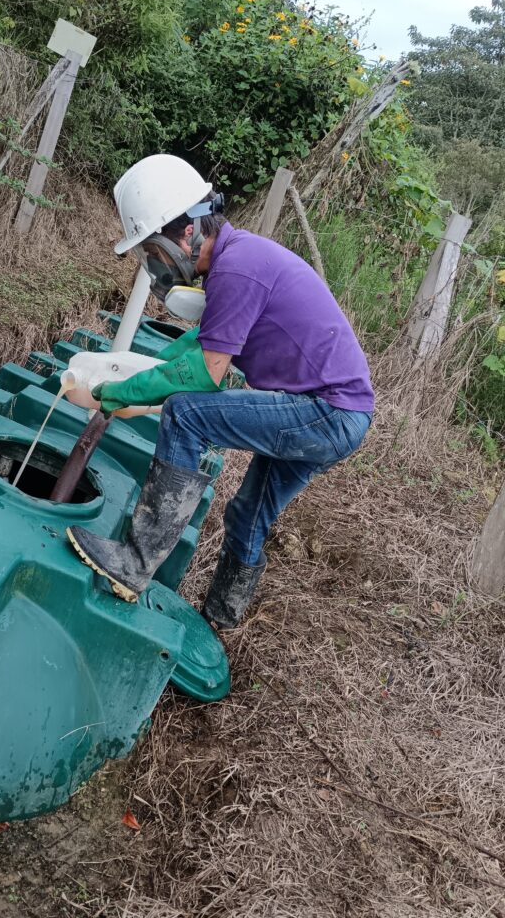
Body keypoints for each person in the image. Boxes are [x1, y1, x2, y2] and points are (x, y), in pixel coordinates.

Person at [67, 154, 374, 629]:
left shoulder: (238, 268)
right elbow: (199, 342)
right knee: (248, 513)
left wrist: (124, 391)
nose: (155, 265)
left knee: (185, 414)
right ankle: (220, 619)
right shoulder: (239, 259)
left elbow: (206, 374)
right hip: (338, 413)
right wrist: (135, 373)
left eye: (153, 251)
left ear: (186, 233)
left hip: (325, 412)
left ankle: (134, 562)